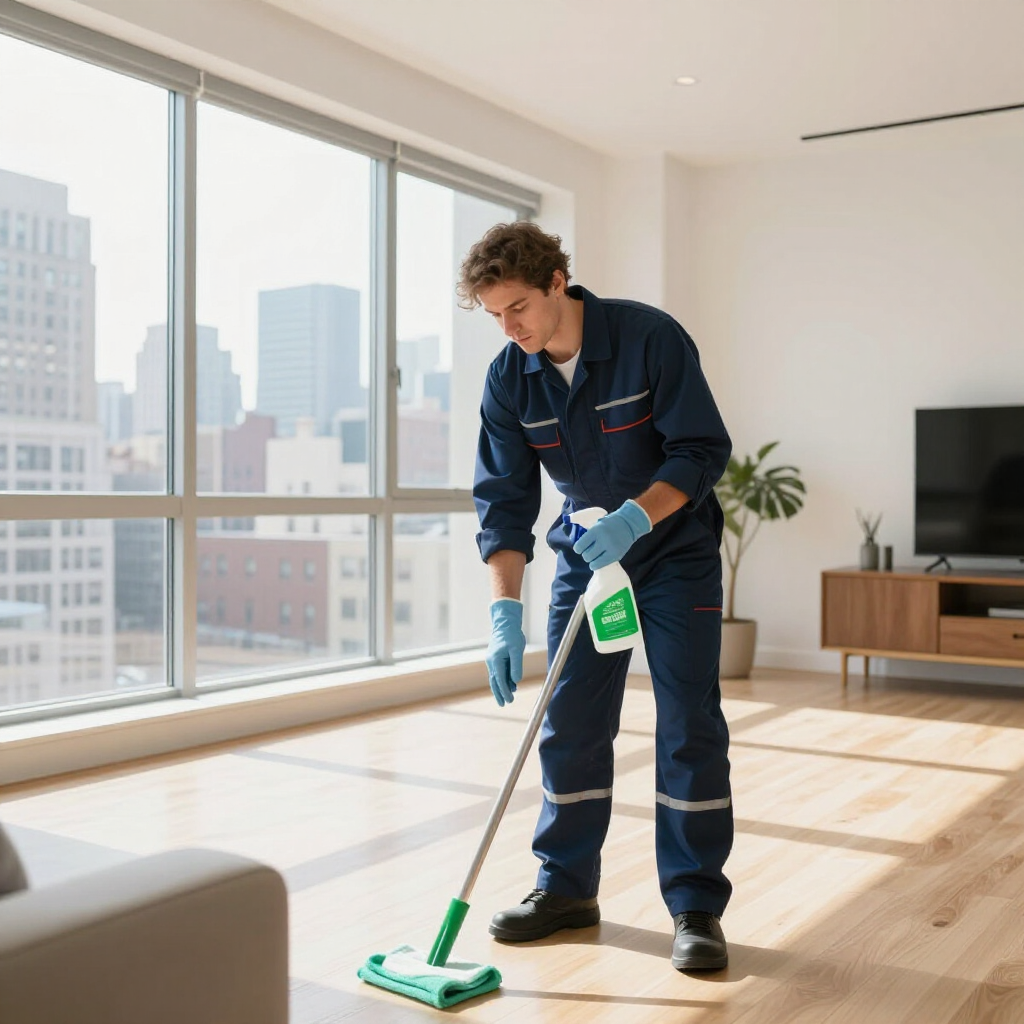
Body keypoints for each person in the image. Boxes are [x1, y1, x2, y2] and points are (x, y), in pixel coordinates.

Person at [460, 222, 734, 972]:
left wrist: (638, 515)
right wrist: (504, 610)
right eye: (494, 316)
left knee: (687, 723)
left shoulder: (649, 338)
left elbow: (701, 449)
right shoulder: (508, 379)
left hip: (674, 552)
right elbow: (504, 501)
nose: (509, 329)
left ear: (556, 282)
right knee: (570, 723)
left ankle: (695, 904)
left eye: (516, 307)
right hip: (585, 556)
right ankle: (566, 887)